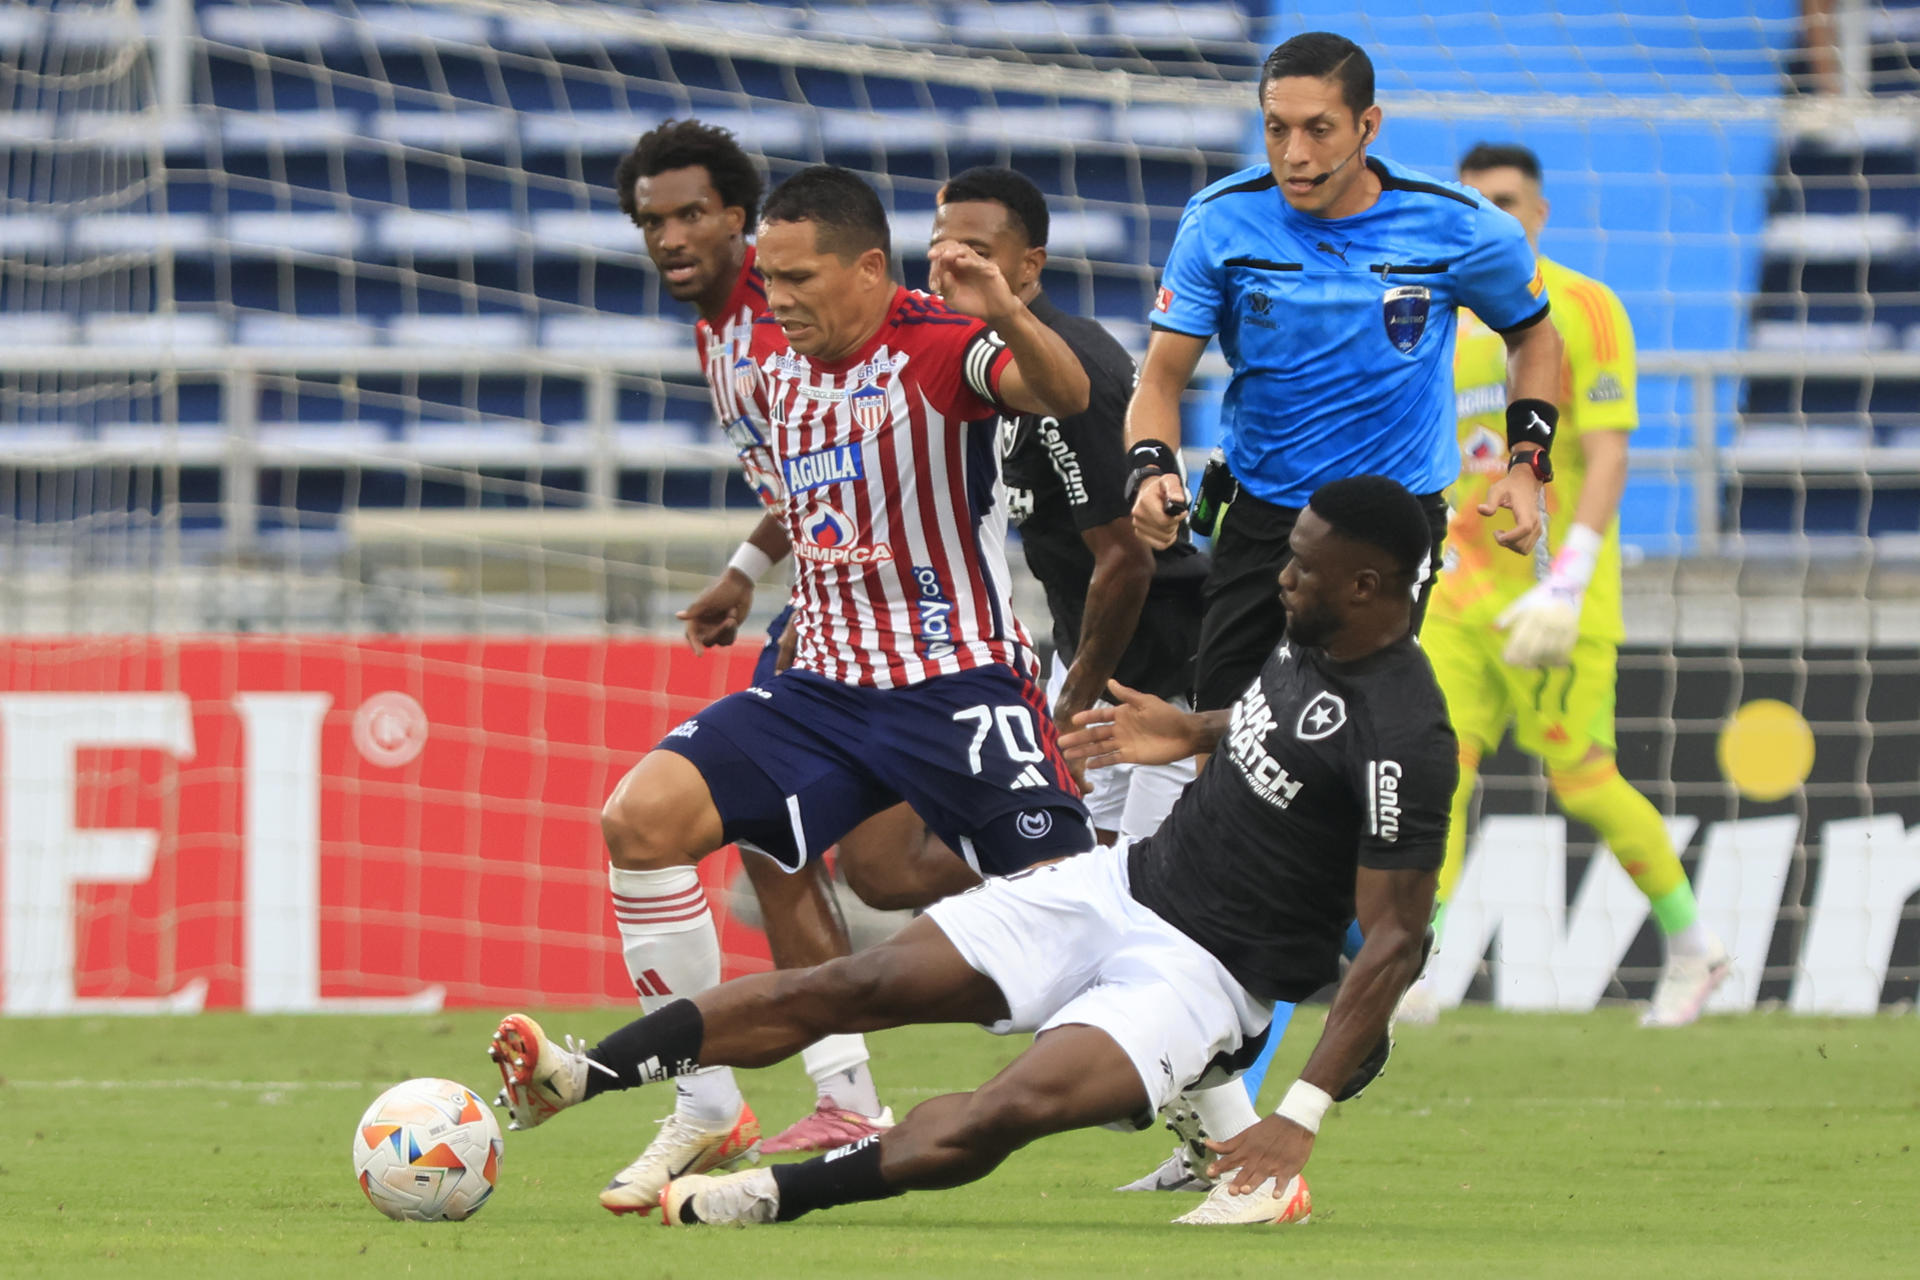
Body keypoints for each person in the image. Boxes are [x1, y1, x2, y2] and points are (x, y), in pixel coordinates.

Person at [488, 476, 1455, 1229]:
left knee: (1005, 1111)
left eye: (1301, 566)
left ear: (1365, 586)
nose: (1280, 576)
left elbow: (1395, 940)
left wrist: (1305, 1112)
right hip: (1117, 887)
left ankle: (775, 1196)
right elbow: (1283, 727)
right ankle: (579, 1079)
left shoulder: (1405, 734)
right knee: (852, 985)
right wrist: (1190, 729)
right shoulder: (1313, 638)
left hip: (1205, 978)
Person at [575, 162, 1097, 1215]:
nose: (780, 301)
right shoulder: (772, 361)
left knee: (1076, 914)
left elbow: (1065, 392)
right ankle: (715, 1099)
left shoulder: (939, 347)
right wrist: (747, 570)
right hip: (821, 678)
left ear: (868, 267)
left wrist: (1000, 308)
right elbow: (816, 495)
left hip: (953, 684)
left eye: (799, 279)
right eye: (769, 282)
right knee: (644, 818)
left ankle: (1232, 1131)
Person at [616, 119, 956, 1166]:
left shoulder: (784, 321)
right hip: (819, 607)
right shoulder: (720, 328)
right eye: (650, 222)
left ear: (739, 220)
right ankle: (838, 1093)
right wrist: (746, 571)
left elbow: (862, 464)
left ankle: (1093, 878)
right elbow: (795, 486)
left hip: (885, 623)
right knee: (788, 850)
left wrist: (814, 585)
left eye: (689, 215)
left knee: (886, 869)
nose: (669, 237)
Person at [1120, 30, 1564, 719]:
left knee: (1340, 733)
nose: (1295, 155)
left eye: (1318, 130)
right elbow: (1159, 380)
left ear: (1367, 126)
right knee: (1228, 733)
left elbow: (1535, 337)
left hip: (1390, 521)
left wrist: (1527, 461)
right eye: (1276, 129)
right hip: (1261, 509)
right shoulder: (1220, 222)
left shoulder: (1460, 227)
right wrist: (1151, 470)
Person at [1396, 143, 1730, 1027]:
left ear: (1538, 213)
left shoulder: (1585, 307)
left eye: (1506, 201)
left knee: (1583, 779)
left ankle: (1695, 947)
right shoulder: (1441, 318)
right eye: (1473, 204)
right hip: (1463, 595)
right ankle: (1411, 966)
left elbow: (1611, 450)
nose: (1492, 217)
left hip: (1555, 592)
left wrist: (1570, 578)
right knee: (1442, 777)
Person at [930, 166, 1207, 843]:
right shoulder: (982, 365)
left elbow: (1130, 560)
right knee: (1084, 875)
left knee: (1152, 902)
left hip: (1160, 672)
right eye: (941, 253)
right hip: (1091, 649)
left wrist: (1073, 698)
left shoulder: (1068, 376)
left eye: (977, 256)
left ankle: (1384, 940)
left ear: (1029, 267)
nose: (951, 271)